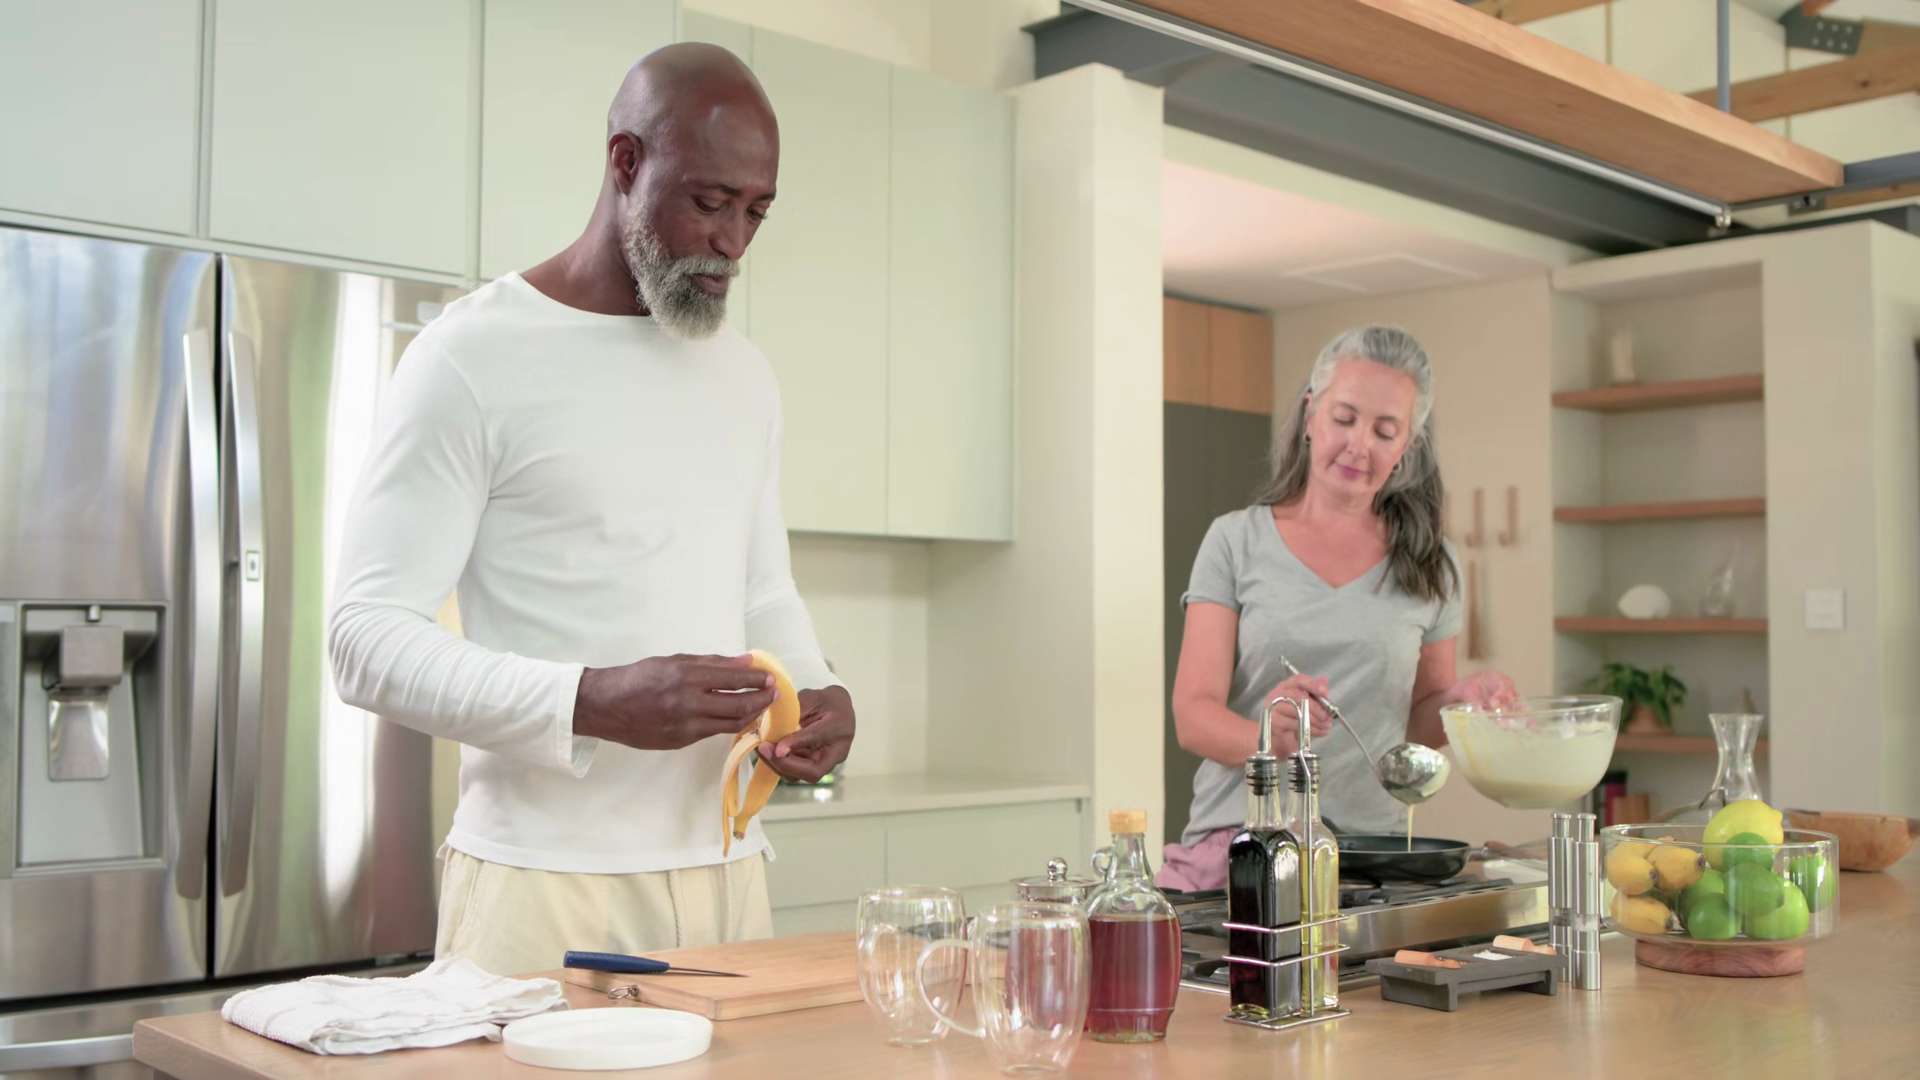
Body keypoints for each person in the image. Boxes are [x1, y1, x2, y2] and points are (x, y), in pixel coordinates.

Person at [326, 43, 855, 976]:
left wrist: (817, 689)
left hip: (727, 873)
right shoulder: (470, 357)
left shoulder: (744, 377)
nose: (735, 242)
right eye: (710, 201)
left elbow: (761, 593)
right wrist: (589, 701)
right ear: (625, 162)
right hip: (539, 886)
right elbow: (363, 638)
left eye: (756, 210)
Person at [1157, 325, 1516, 893]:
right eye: (1344, 418)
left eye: (1384, 431)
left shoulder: (1432, 563)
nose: (1358, 445)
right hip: (1243, 848)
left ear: (1407, 446)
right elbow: (1193, 715)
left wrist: (1460, 701)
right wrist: (1267, 738)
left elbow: (1412, 726)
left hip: (1372, 857)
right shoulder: (1234, 541)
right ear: (1310, 414)